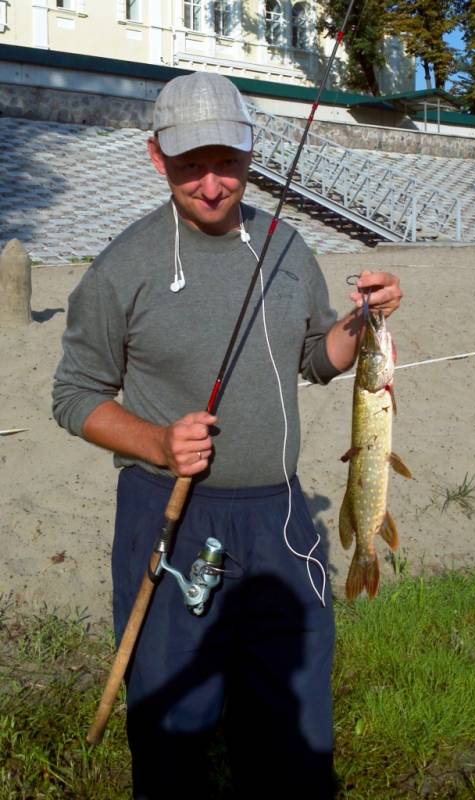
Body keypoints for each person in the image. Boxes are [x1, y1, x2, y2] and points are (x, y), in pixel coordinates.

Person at [53, 72, 402, 799]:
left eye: (228, 164)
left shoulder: (286, 247)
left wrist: (362, 323)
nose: (212, 186)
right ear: (157, 159)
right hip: (169, 512)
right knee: (174, 728)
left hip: (279, 517)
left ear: (250, 153)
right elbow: (74, 395)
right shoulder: (123, 268)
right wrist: (155, 443)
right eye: (189, 167)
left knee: (292, 726)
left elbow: (317, 357)